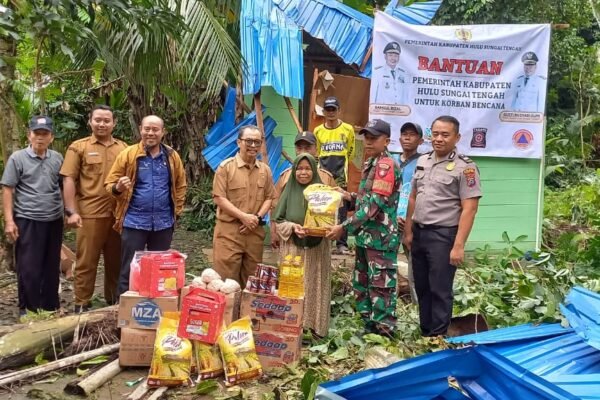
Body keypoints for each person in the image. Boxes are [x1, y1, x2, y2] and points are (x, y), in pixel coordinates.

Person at [403, 115, 482, 337]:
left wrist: (459, 246)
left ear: (457, 137)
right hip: (419, 233)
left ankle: (438, 337)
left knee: (439, 289)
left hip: (443, 236)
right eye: (435, 134)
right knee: (422, 287)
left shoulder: (466, 168)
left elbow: (470, 209)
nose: (439, 139)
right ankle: (426, 333)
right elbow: (413, 197)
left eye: (445, 135)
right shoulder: (423, 161)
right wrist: (408, 231)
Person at [327, 119, 401, 337]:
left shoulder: (386, 165)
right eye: (366, 137)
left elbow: (373, 206)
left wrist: (343, 227)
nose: (368, 142)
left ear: (386, 141)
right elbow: (365, 199)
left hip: (380, 239)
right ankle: (369, 329)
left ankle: (384, 332)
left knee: (381, 287)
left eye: (374, 138)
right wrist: (347, 196)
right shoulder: (371, 163)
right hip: (365, 237)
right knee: (362, 284)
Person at [105, 115, 187, 296]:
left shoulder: (172, 156)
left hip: (163, 223)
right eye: (147, 129)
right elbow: (109, 185)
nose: (151, 133)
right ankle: (124, 305)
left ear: (163, 132)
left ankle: (156, 304)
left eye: (155, 129)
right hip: (134, 221)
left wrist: (177, 211)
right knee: (130, 267)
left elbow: (181, 185)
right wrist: (118, 187)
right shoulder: (128, 154)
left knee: (160, 268)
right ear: (140, 129)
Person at [61, 105, 128, 311]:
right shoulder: (78, 147)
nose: (102, 124)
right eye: (97, 119)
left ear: (114, 123)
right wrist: (71, 211)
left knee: (116, 261)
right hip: (89, 214)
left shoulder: (124, 148)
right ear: (90, 121)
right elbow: (68, 179)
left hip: (117, 214)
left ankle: (113, 302)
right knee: (86, 261)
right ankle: (82, 303)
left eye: (107, 120)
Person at [1, 116, 64, 317]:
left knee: (51, 265)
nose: (40, 137)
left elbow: (63, 187)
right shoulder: (17, 158)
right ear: (29, 135)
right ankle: (28, 310)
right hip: (28, 219)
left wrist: (69, 212)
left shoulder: (57, 158)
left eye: (45, 134)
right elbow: (8, 189)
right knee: (29, 267)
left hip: (54, 219)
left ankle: (50, 308)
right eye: (37, 133)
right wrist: (9, 221)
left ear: (51, 137)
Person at [273, 153, 332, 337]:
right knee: (293, 286)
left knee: (315, 286)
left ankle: (315, 329)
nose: (303, 172)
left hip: (317, 250)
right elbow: (278, 220)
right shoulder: (289, 190)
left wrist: (319, 229)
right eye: (299, 169)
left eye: (307, 169)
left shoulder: (323, 194)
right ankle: (292, 329)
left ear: (314, 170)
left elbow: (331, 220)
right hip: (293, 249)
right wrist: (293, 227)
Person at [212, 125, 275, 286]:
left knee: (252, 283)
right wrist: (243, 217)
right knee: (226, 283)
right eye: (249, 141)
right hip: (229, 233)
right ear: (239, 142)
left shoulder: (265, 170)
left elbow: (269, 197)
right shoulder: (226, 168)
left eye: (257, 142)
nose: (253, 146)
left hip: (254, 232)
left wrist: (256, 218)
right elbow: (219, 198)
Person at [271, 131, 336, 249]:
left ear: (316, 149)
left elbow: (335, 209)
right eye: (299, 148)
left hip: (319, 242)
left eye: (307, 147)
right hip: (290, 240)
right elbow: (275, 206)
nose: (303, 152)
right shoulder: (286, 177)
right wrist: (273, 232)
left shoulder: (326, 177)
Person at [314, 96, 355, 254]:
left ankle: (341, 244)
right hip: (323, 174)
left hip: (340, 174)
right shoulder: (318, 131)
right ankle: (322, 240)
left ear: (339, 111)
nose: (331, 112)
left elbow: (350, 152)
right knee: (323, 207)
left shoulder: (348, 129)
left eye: (333, 109)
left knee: (341, 209)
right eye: (328, 109)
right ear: (324, 112)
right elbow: (317, 152)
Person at [395, 122, 424, 304]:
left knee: (416, 269)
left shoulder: (424, 163)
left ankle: (417, 308)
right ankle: (389, 307)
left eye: (412, 134)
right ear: (399, 138)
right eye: (404, 133)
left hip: (411, 224)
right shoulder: (391, 160)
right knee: (386, 268)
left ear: (420, 140)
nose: (407, 137)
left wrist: (410, 222)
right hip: (390, 221)